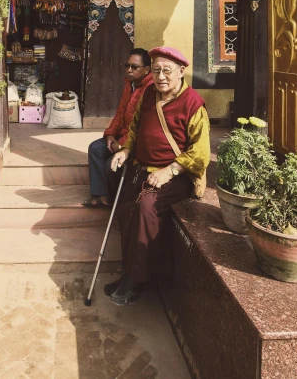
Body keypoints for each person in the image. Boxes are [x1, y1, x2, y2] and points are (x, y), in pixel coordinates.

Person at [106, 47, 210, 306]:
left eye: (167, 71)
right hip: (142, 168)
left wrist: (169, 171)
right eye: (156, 70)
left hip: (175, 175)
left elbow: (200, 154)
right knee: (125, 208)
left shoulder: (193, 103)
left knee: (146, 208)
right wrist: (127, 150)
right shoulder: (149, 94)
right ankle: (128, 272)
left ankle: (138, 280)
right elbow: (136, 127)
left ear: (181, 71)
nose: (161, 77)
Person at [83, 48, 153, 208]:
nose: (129, 70)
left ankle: (116, 201)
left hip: (136, 143)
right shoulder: (130, 84)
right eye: (127, 65)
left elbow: (141, 127)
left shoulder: (149, 89)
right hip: (121, 136)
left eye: (134, 67)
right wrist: (109, 135)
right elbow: (120, 113)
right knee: (95, 148)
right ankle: (101, 196)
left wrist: (121, 145)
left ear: (147, 69)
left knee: (111, 165)